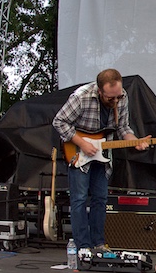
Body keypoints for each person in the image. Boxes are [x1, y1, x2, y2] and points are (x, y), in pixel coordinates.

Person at [53, 69, 149, 256]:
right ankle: (82, 246)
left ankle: (98, 243)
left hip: (102, 155)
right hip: (79, 153)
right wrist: (82, 143)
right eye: (110, 98)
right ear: (99, 91)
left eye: (118, 97)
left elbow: (123, 127)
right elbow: (59, 122)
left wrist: (135, 141)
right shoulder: (81, 97)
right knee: (79, 199)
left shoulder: (122, 97)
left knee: (100, 199)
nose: (115, 101)